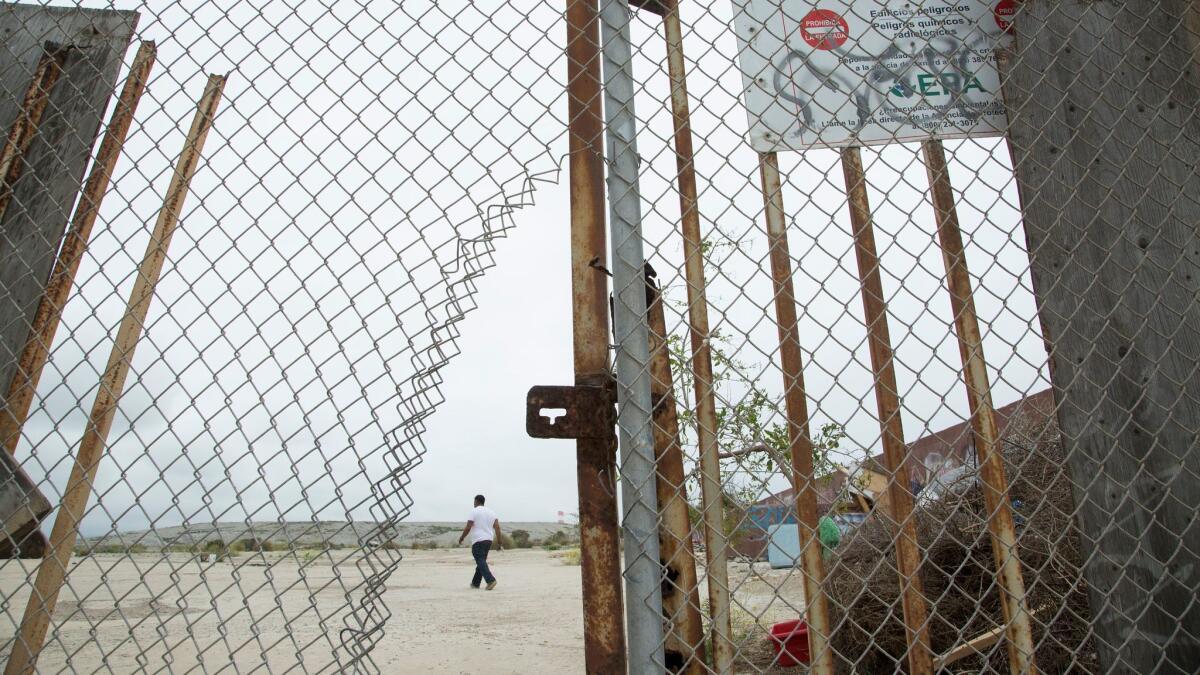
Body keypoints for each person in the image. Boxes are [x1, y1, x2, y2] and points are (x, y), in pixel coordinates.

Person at [457, 494, 502, 590]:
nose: (473, 503)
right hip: (488, 540)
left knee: (480, 561)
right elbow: (497, 527)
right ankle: (475, 583)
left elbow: (469, 526)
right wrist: (499, 542)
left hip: (478, 540)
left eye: (474, 502)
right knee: (481, 562)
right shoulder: (492, 512)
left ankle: (490, 580)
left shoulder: (474, 511)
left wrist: (462, 537)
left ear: (477, 501)